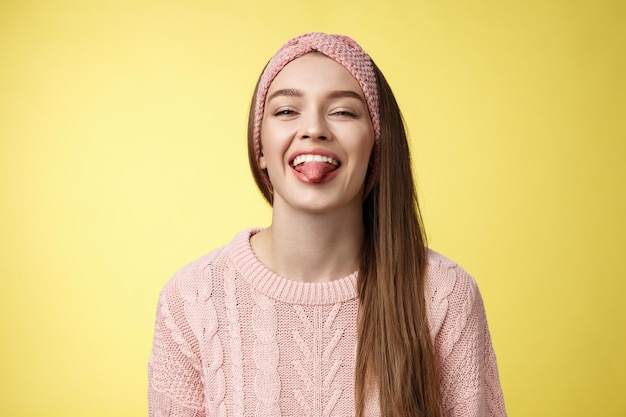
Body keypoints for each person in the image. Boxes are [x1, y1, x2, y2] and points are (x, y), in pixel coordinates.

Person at [148, 32, 507, 417]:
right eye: (287, 111)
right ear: (261, 148)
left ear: (376, 145)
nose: (314, 128)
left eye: (344, 112)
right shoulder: (192, 299)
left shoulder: (445, 296)